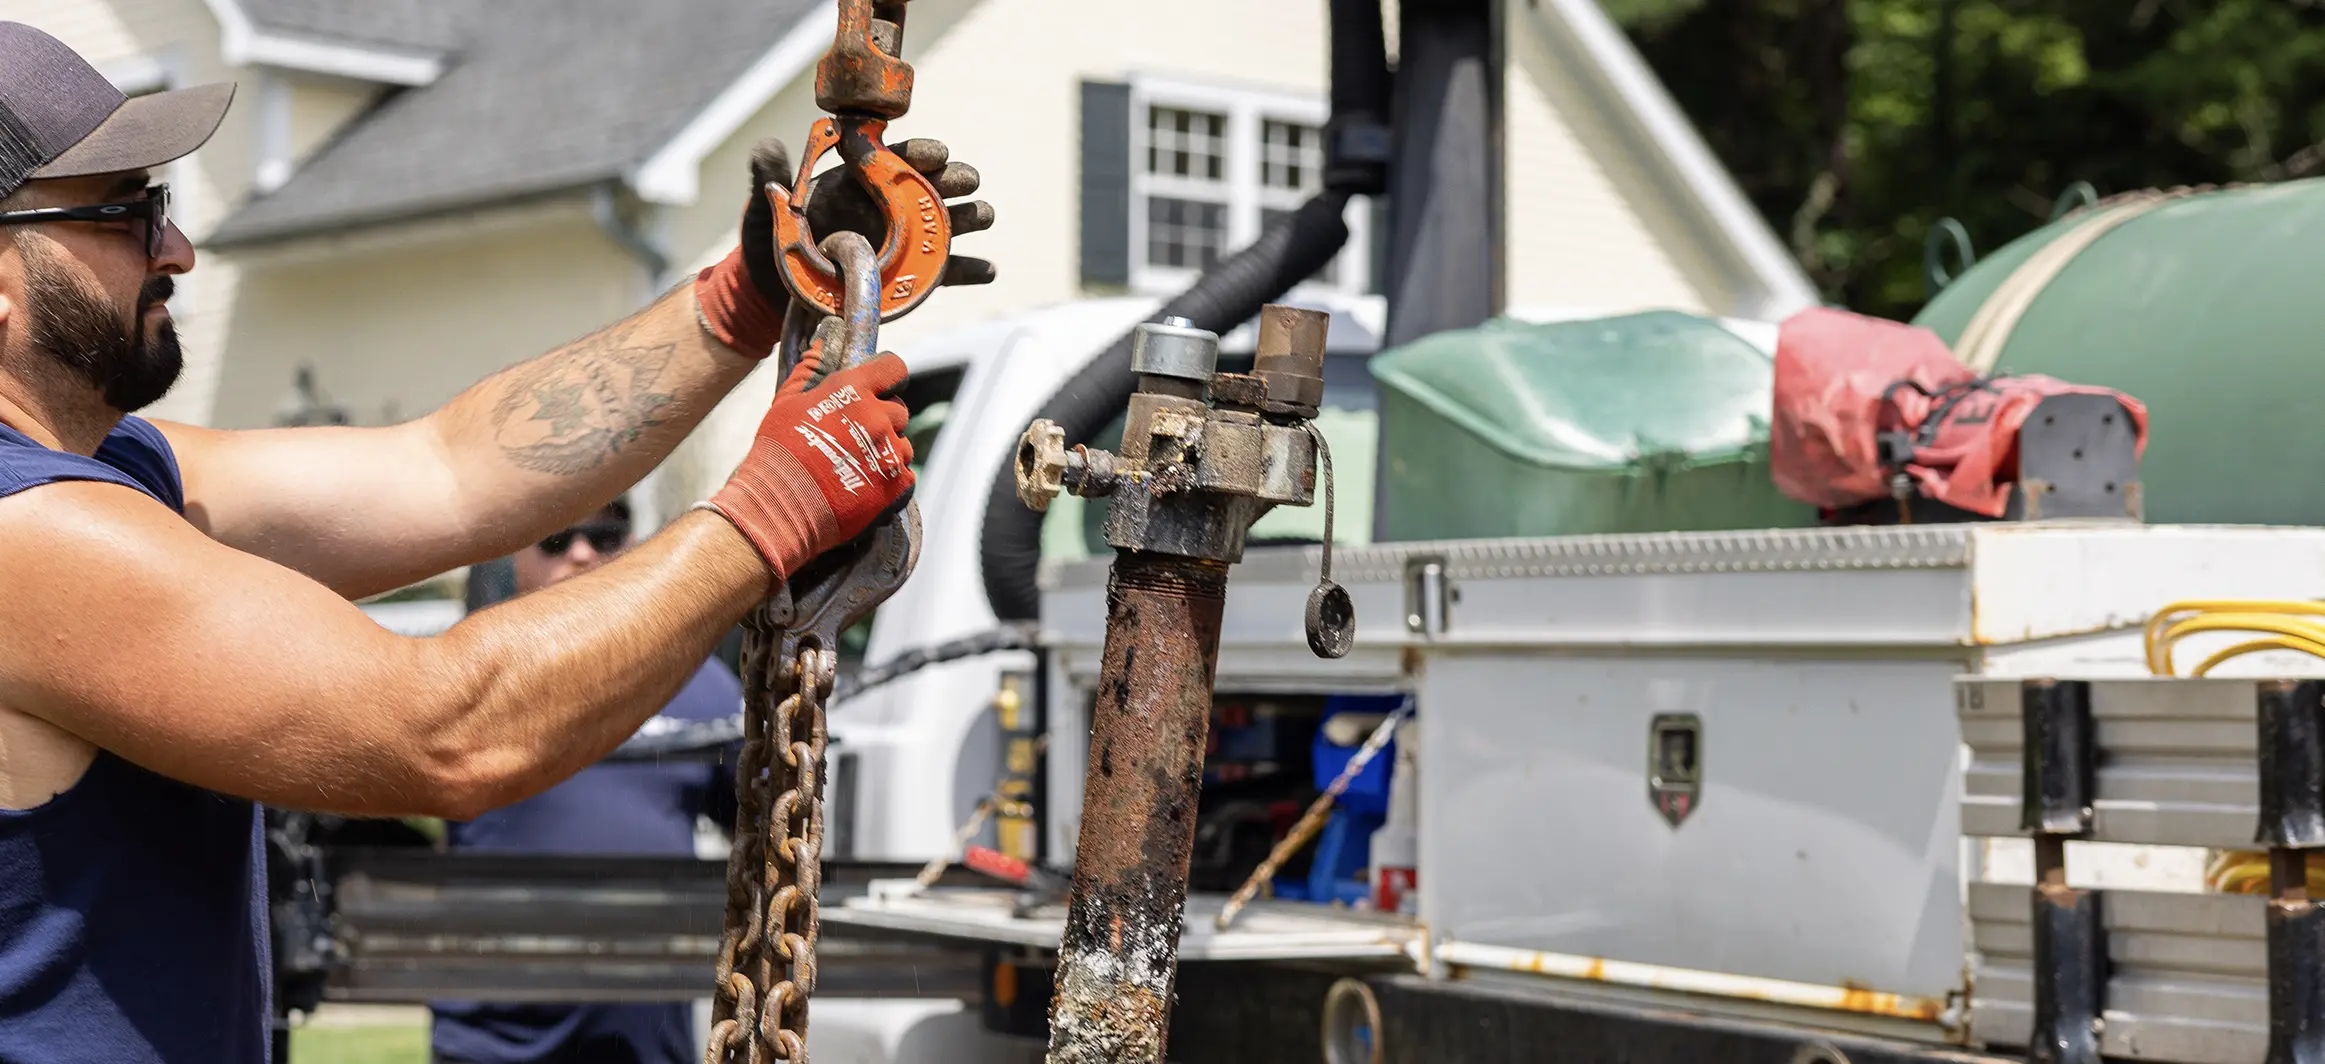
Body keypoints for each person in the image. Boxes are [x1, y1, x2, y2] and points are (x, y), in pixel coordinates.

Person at [0, 21, 993, 1064]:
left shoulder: (124, 471)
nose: (177, 247)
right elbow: (441, 730)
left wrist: (746, 293)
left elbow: (451, 468)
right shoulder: (30, 536)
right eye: (125, 211)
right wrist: (774, 509)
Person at [430, 499, 742, 1064]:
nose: (580, 553)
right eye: (555, 537)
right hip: (494, 1040)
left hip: (645, 1037)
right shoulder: (465, 675)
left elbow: (761, 827)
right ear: (517, 551)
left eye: (604, 535)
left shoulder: (699, 683)